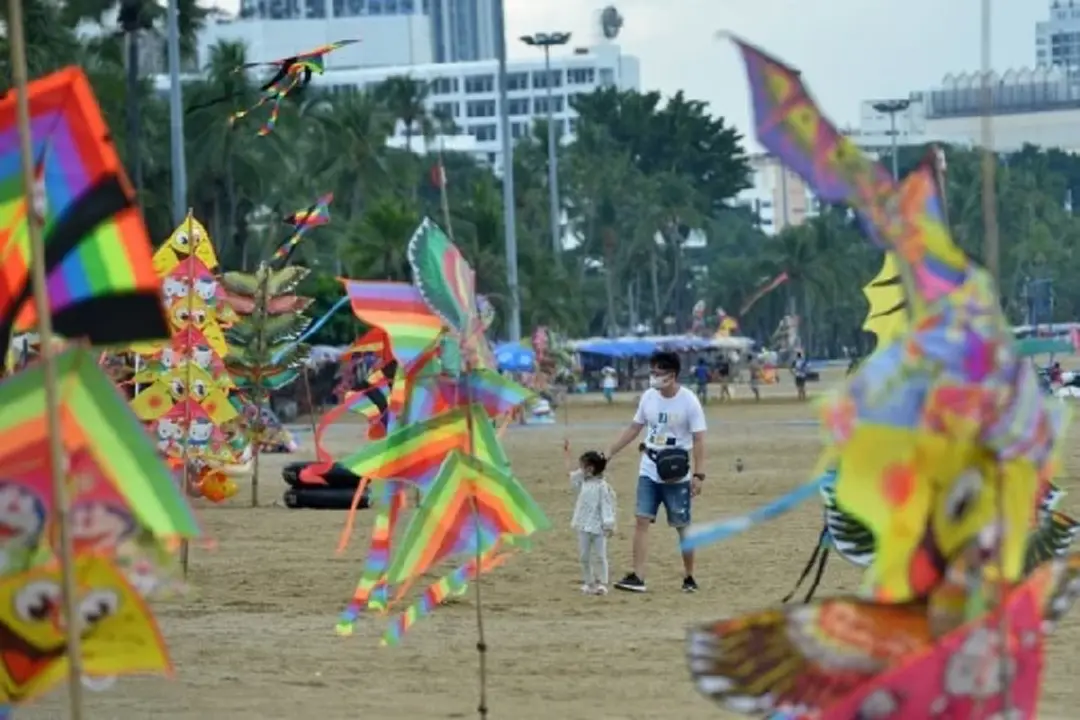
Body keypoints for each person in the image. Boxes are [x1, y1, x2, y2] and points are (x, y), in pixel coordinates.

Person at [605, 351, 707, 593]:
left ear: (671, 376)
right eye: (651, 371)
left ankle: (689, 576)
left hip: (676, 473)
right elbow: (634, 428)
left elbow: (700, 439)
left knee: (682, 525)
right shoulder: (648, 397)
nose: (653, 377)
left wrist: (699, 475)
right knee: (641, 520)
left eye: (657, 373)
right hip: (649, 468)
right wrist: (609, 452)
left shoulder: (689, 401)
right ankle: (638, 576)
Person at [568, 449, 617, 595]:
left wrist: (608, 524)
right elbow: (572, 478)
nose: (581, 469)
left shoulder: (602, 486)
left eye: (584, 466)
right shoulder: (583, 482)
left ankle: (602, 582)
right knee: (584, 556)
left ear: (591, 468)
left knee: (600, 555)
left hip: (598, 527)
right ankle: (588, 582)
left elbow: (606, 506)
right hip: (583, 525)